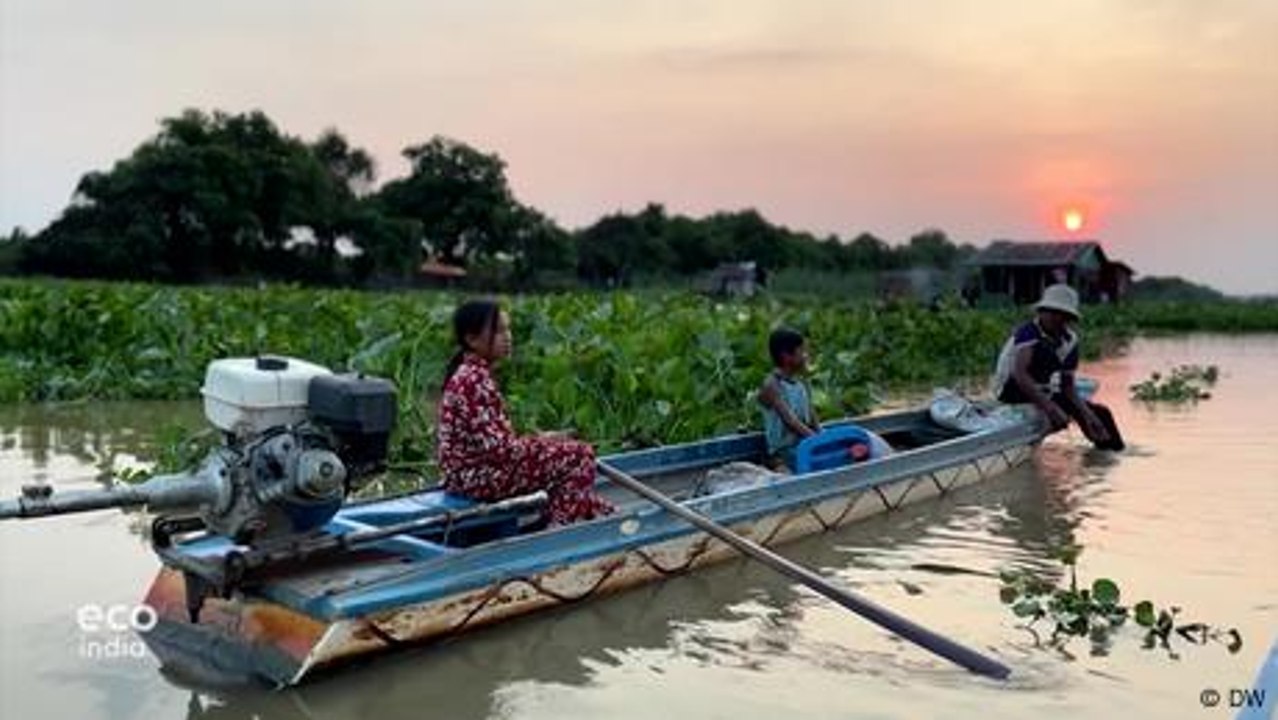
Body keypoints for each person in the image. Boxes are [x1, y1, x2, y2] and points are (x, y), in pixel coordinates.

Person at [436, 299, 615, 525]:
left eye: (508, 329)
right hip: (474, 479)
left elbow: (495, 446)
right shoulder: (473, 380)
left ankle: (567, 513)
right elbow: (501, 452)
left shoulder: (471, 373)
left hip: (468, 475)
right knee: (580, 456)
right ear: (472, 339)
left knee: (564, 457)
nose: (508, 337)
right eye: (498, 331)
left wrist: (543, 441)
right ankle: (558, 528)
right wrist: (543, 442)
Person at [992, 284, 1125, 450]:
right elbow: (1020, 374)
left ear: (1068, 317)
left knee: (1100, 414)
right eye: (1050, 312)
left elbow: (1067, 387)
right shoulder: (1028, 332)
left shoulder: (1070, 340)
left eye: (1060, 314)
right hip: (1012, 388)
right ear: (1041, 312)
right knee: (1045, 351)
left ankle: (1110, 455)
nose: (1054, 318)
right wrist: (1051, 409)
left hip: (1041, 388)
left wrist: (1088, 415)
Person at [757, 328, 821, 470]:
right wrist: (818, 441)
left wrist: (823, 436)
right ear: (786, 356)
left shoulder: (801, 382)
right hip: (784, 453)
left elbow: (812, 416)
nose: (806, 356)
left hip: (805, 444)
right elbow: (791, 422)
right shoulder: (772, 385)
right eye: (802, 351)